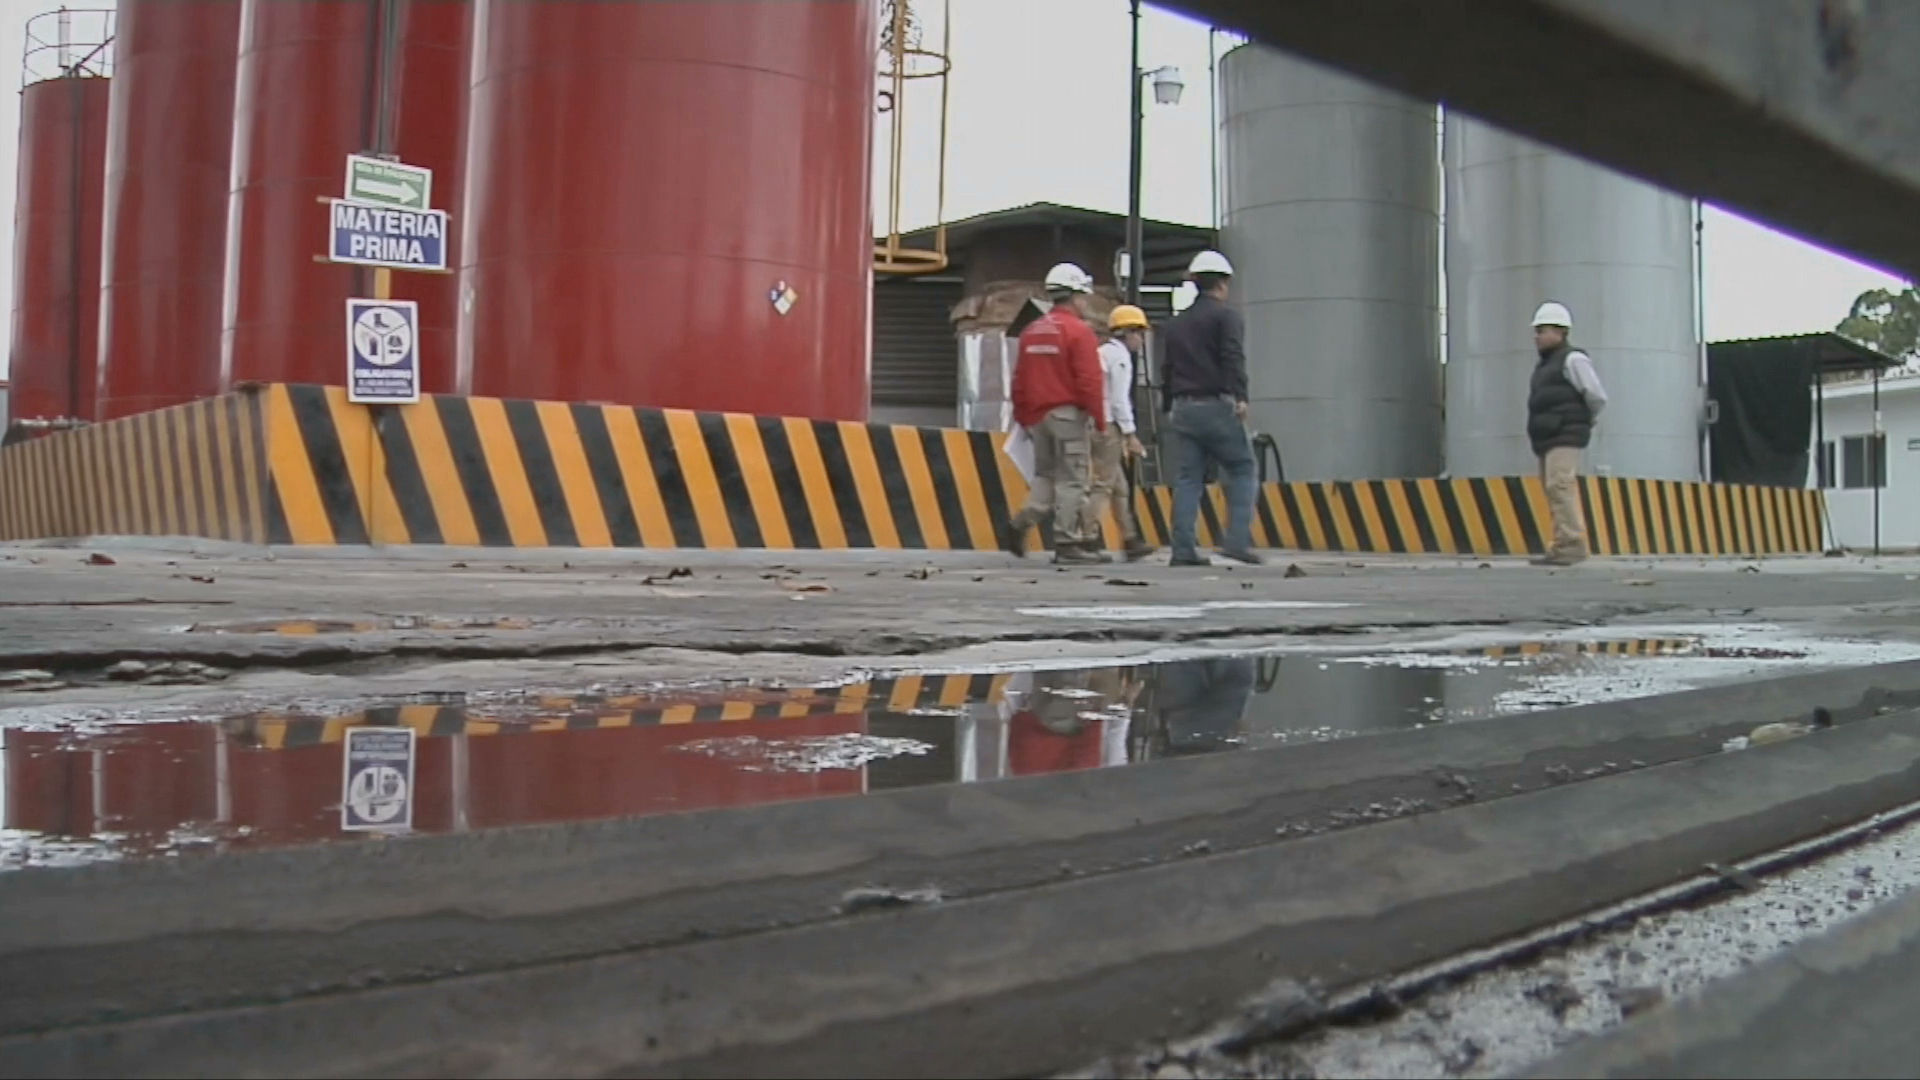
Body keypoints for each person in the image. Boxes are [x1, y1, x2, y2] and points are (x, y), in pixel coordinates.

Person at [1001, 263, 1109, 565]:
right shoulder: (1079, 331)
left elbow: (1019, 380)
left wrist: (1024, 416)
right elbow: (1090, 381)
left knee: (1045, 476)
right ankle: (1066, 543)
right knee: (1073, 480)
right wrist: (1100, 419)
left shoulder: (1031, 331)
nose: (1085, 302)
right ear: (1074, 296)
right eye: (1083, 297)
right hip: (1067, 417)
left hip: (1038, 418)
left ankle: (1020, 523)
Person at [1159, 250, 1260, 567]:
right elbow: (1232, 356)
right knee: (1243, 469)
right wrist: (1241, 396)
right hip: (1216, 404)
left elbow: (1167, 369)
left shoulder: (1175, 325)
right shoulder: (1226, 316)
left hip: (1183, 408)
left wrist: (1167, 405)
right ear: (1223, 283)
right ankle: (1236, 542)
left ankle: (1183, 549)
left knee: (1189, 478)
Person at [1525, 301, 1609, 566]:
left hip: (1565, 433)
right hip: (1547, 436)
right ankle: (1561, 544)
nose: (1537, 336)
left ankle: (1573, 544)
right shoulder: (1545, 366)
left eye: (1542, 330)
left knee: (1560, 485)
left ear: (1560, 332)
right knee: (1553, 489)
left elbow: (1596, 395)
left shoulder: (1573, 359)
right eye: (1537, 331)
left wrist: (1585, 420)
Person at [1088, 304, 1156, 562]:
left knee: (1119, 487)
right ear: (1129, 332)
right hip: (1108, 427)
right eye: (1139, 333)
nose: (1141, 339)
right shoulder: (1119, 357)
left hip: (1097, 424)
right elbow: (1118, 400)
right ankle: (1086, 537)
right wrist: (1130, 435)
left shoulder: (1102, 352)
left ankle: (1129, 539)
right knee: (1103, 485)